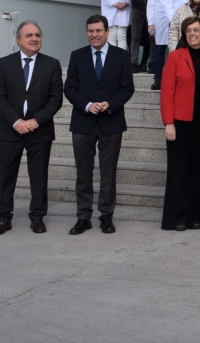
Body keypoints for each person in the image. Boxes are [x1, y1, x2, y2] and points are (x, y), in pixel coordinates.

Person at [64, 15, 135, 235]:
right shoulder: (77, 56)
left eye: (98, 31)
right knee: (83, 174)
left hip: (111, 122)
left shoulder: (121, 56)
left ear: (106, 32)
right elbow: (70, 88)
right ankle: (83, 217)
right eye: (90, 31)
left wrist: (109, 104)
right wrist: (86, 105)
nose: (94, 35)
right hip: (83, 122)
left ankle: (106, 216)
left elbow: (127, 88)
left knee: (108, 174)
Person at [0, 21, 63, 236]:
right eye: (29, 35)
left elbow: (55, 99)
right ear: (18, 40)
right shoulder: (4, 64)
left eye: (38, 35)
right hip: (9, 130)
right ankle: (4, 218)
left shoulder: (52, 64)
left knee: (39, 175)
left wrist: (35, 121)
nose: (34, 39)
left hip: (39, 130)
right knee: (5, 175)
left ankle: (38, 217)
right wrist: (16, 122)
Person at [160, 16, 200, 231]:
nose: (192, 33)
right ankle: (178, 217)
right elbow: (166, 92)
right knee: (179, 172)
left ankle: (198, 216)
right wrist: (168, 123)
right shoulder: (175, 57)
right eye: (188, 30)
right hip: (180, 124)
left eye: (196, 30)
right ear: (184, 33)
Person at [147, 0, 190, 90]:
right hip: (159, 17)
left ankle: (174, 78)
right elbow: (151, 3)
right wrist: (150, 23)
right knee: (159, 48)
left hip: (176, 17)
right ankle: (158, 79)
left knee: (176, 48)